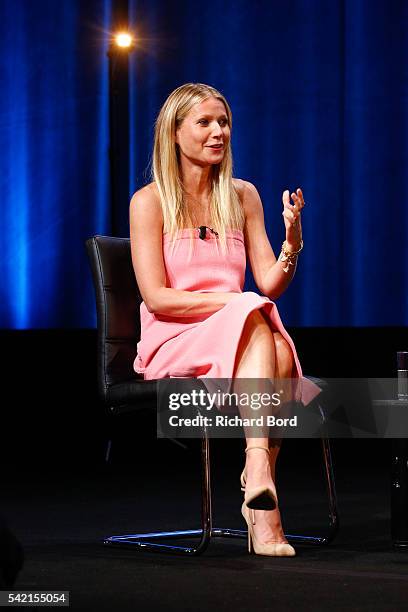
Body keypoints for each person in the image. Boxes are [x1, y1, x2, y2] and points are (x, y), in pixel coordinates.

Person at [130, 82, 316, 557]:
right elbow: (157, 297)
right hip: (176, 335)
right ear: (174, 133)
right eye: (205, 123)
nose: (219, 132)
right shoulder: (148, 202)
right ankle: (258, 479)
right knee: (256, 319)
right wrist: (232, 303)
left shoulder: (243, 195)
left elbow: (269, 283)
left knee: (268, 337)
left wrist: (291, 241)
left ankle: (260, 497)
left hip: (240, 332)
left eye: (224, 122)